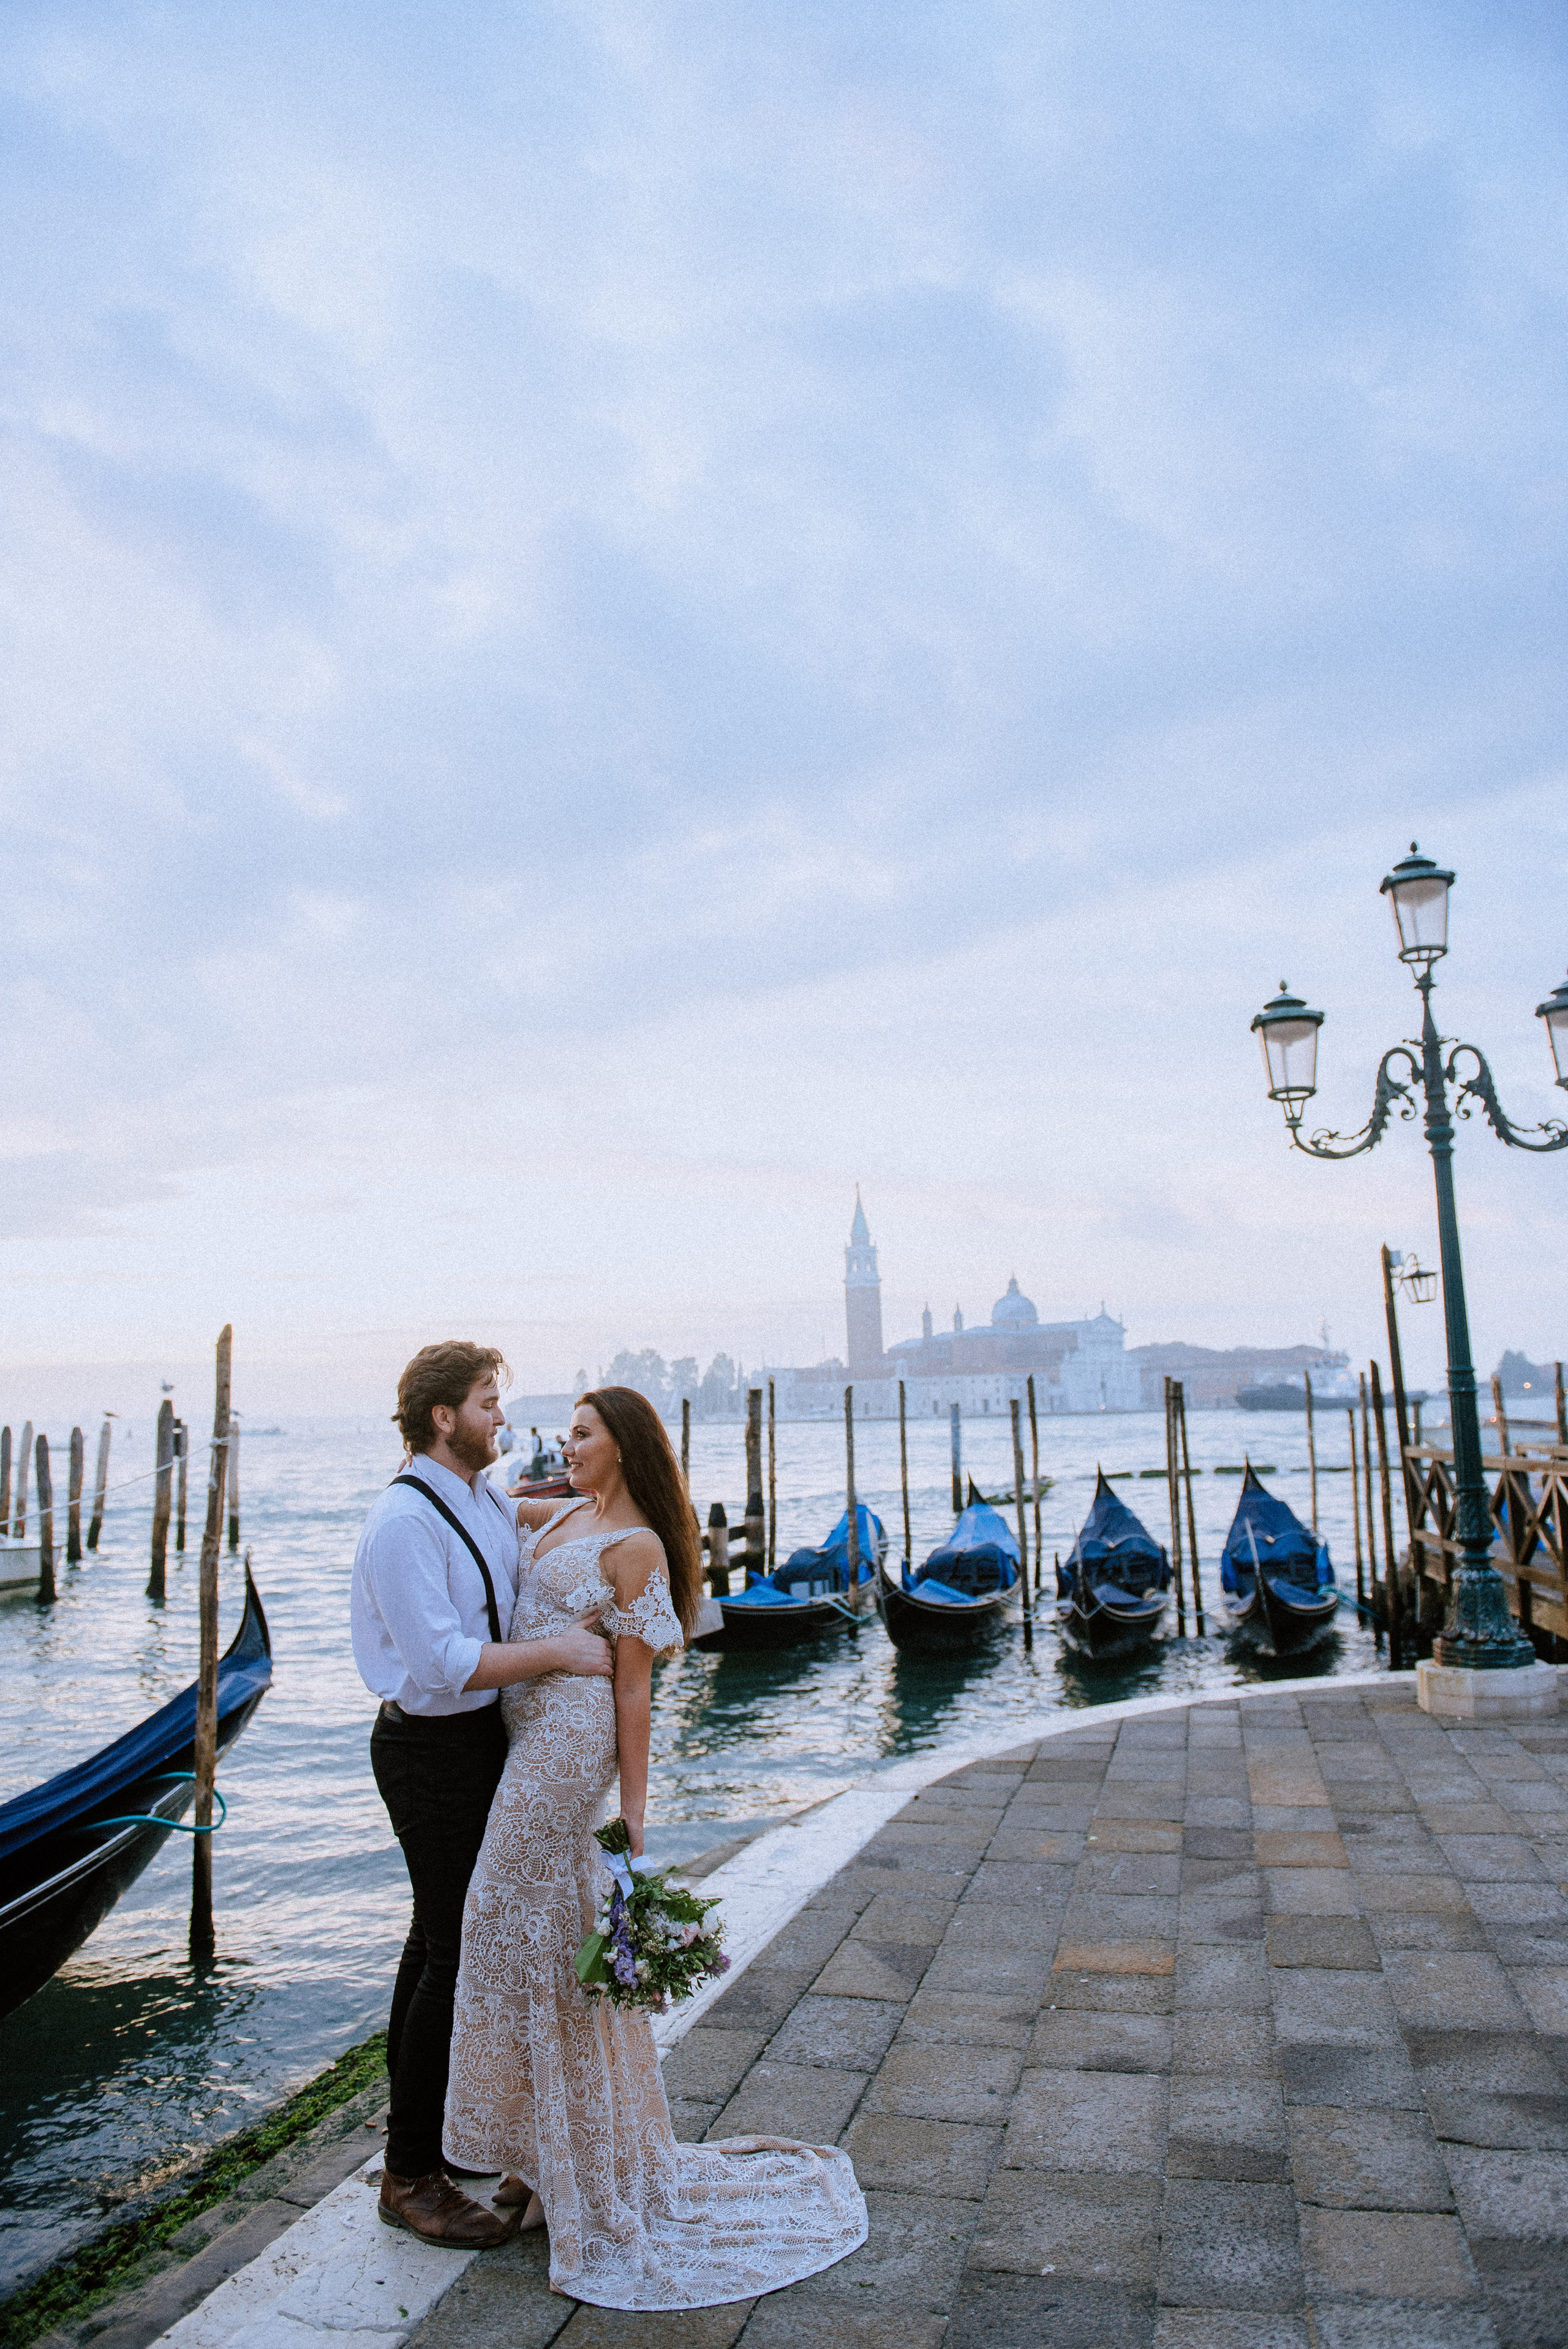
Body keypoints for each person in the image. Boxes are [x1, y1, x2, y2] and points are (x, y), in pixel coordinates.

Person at [443, 1385, 867, 2309]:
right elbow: (476, 1494)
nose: (570, 1440)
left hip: (568, 1744)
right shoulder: (562, 1509)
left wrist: (635, 1814)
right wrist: (430, 1455)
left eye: (586, 1432)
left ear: (626, 1446)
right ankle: (549, 2153)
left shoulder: (635, 1548)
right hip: (527, 1734)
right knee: (546, 1933)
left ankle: (551, 2154)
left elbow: (635, 1692)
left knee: (498, 1917)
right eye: (570, 1430)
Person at [352, 1341, 614, 2248]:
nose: (502, 1415)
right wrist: (563, 1651)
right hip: (426, 1748)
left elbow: (520, 1516)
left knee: (437, 1941)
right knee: (456, 1951)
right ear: (443, 1417)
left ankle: (424, 2146)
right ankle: (411, 2174)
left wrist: (607, 1500)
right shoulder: (402, 1523)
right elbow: (445, 1662)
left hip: (476, 1741)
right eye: (488, 1401)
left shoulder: (472, 1495)